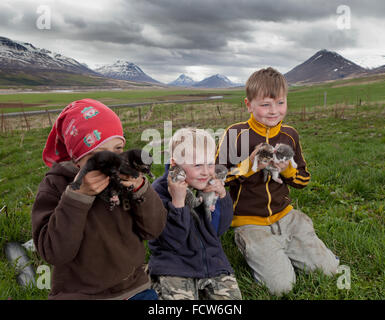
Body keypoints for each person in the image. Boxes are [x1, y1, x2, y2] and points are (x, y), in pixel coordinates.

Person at [216, 67, 339, 296]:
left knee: (329, 271)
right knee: (282, 287)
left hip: (286, 215)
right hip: (250, 221)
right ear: (248, 104)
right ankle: (252, 245)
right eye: (265, 105)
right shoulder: (235, 133)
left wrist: (288, 170)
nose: (274, 111)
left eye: (280, 103)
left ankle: (299, 235)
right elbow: (217, 178)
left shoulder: (290, 135)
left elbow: (303, 180)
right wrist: (249, 166)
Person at [31, 98, 167, 300]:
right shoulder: (55, 187)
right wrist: (78, 195)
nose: (113, 163)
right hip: (79, 294)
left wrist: (141, 190)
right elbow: (54, 253)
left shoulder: (128, 178)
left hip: (134, 289)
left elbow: (154, 230)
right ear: (77, 158)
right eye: (97, 155)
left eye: (118, 150)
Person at [148, 128, 242, 300]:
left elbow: (218, 230)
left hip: (213, 263)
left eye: (210, 163)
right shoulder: (159, 192)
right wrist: (178, 202)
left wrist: (222, 197)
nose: (206, 172)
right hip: (174, 265)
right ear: (175, 164)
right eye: (197, 165)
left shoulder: (208, 185)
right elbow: (173, 241)